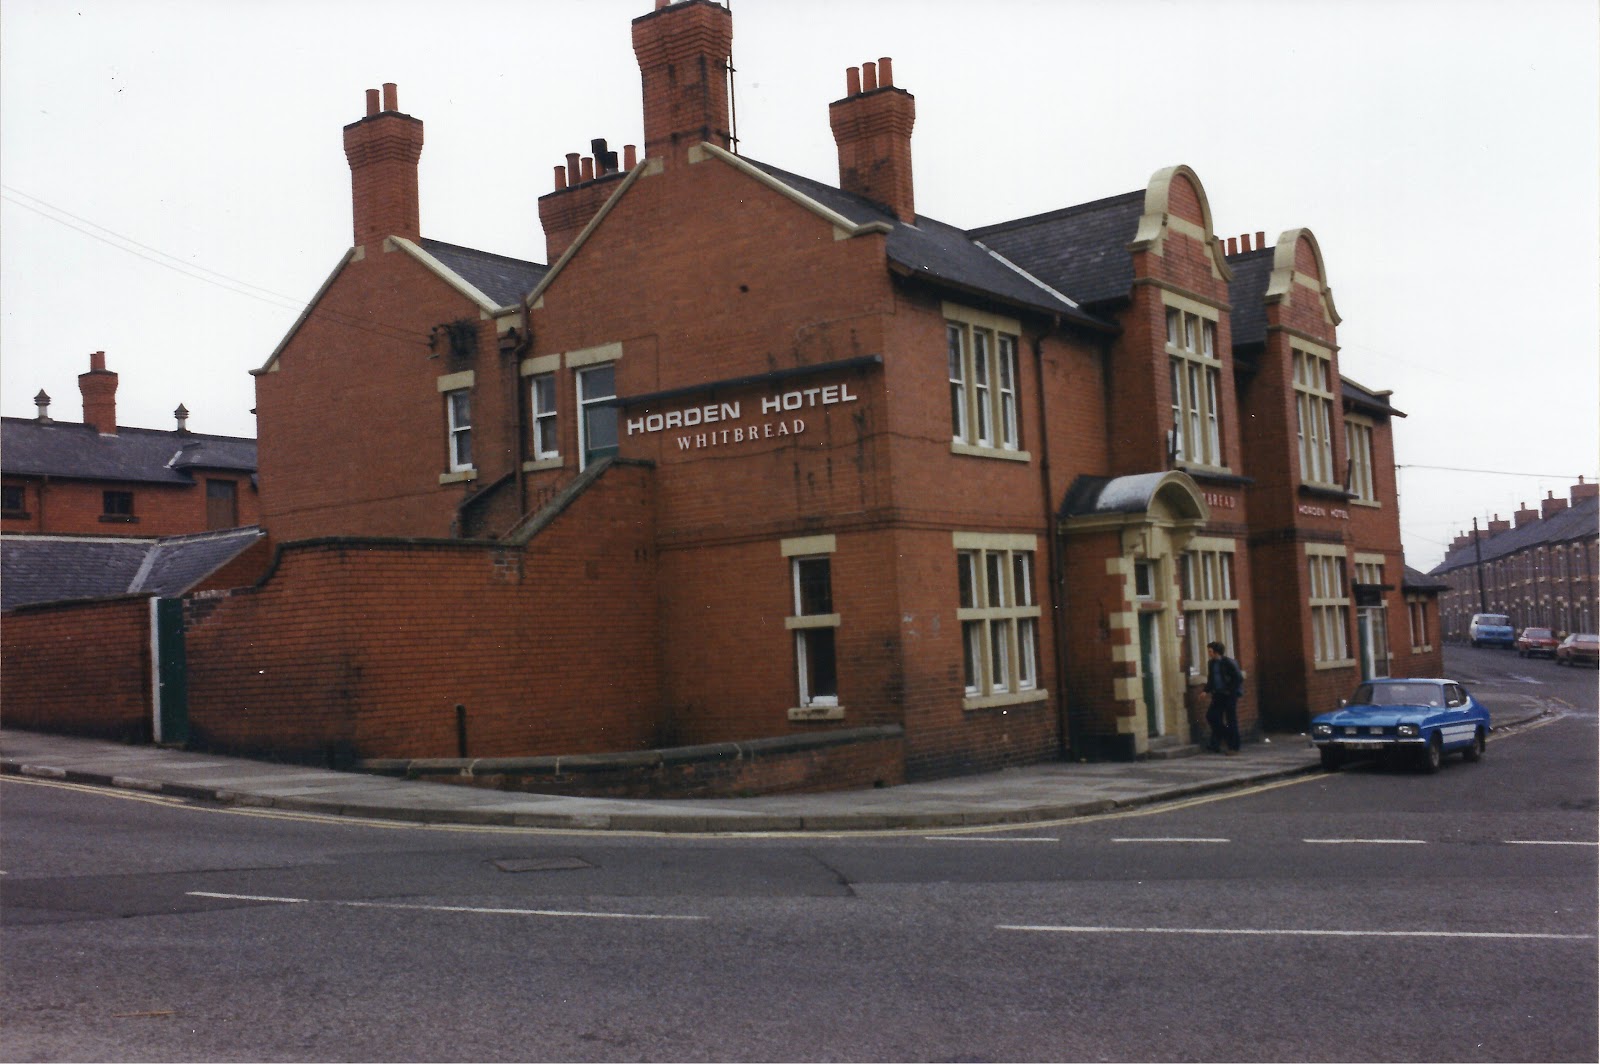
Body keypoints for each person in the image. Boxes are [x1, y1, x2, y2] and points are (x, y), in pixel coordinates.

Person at [1204, 641, 1242, 754]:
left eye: (1210, 651)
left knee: (1231, 719)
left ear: (1216, 652)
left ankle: (1234, 747)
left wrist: (1230, 691)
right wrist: (1205, 691)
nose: (1208, 653)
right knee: (1211, 716)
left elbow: (1238, 678)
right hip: (1218, 694)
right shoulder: (1211, 663)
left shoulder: (1227, 663)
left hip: (1229, 695)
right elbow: (1211, 680)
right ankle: (1222, 738)